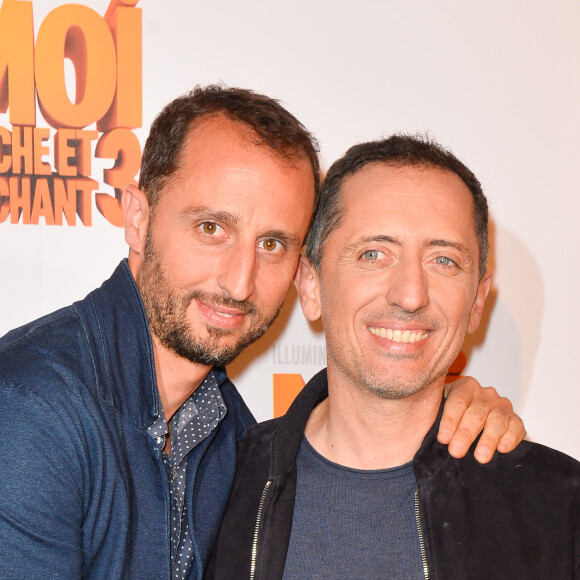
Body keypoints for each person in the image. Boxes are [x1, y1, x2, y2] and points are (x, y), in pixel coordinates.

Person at [0, 88, 524, 580]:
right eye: (211, 229)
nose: (239, 280)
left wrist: (436, 401)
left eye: (273, 243)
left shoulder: (231, 434)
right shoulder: (30, 410)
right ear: (138, 219)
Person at [208, 134, 580, 579]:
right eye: (374, 254)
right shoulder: (218, 488)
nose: (410, 295)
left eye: (444, 260)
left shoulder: (557, 505)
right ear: (310, 285)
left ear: (477, 300)